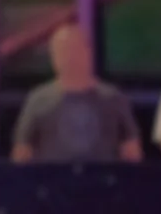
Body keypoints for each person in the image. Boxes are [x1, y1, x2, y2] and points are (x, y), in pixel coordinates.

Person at [12, 26, 141, 162]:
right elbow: (22, 153)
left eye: (74, 50)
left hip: (101, 180)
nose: (69, 57)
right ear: (53, 57)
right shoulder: (38, 100)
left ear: (88, 53)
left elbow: (131, 152)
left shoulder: (113, 98)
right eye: (62, 51)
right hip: (53, 181)